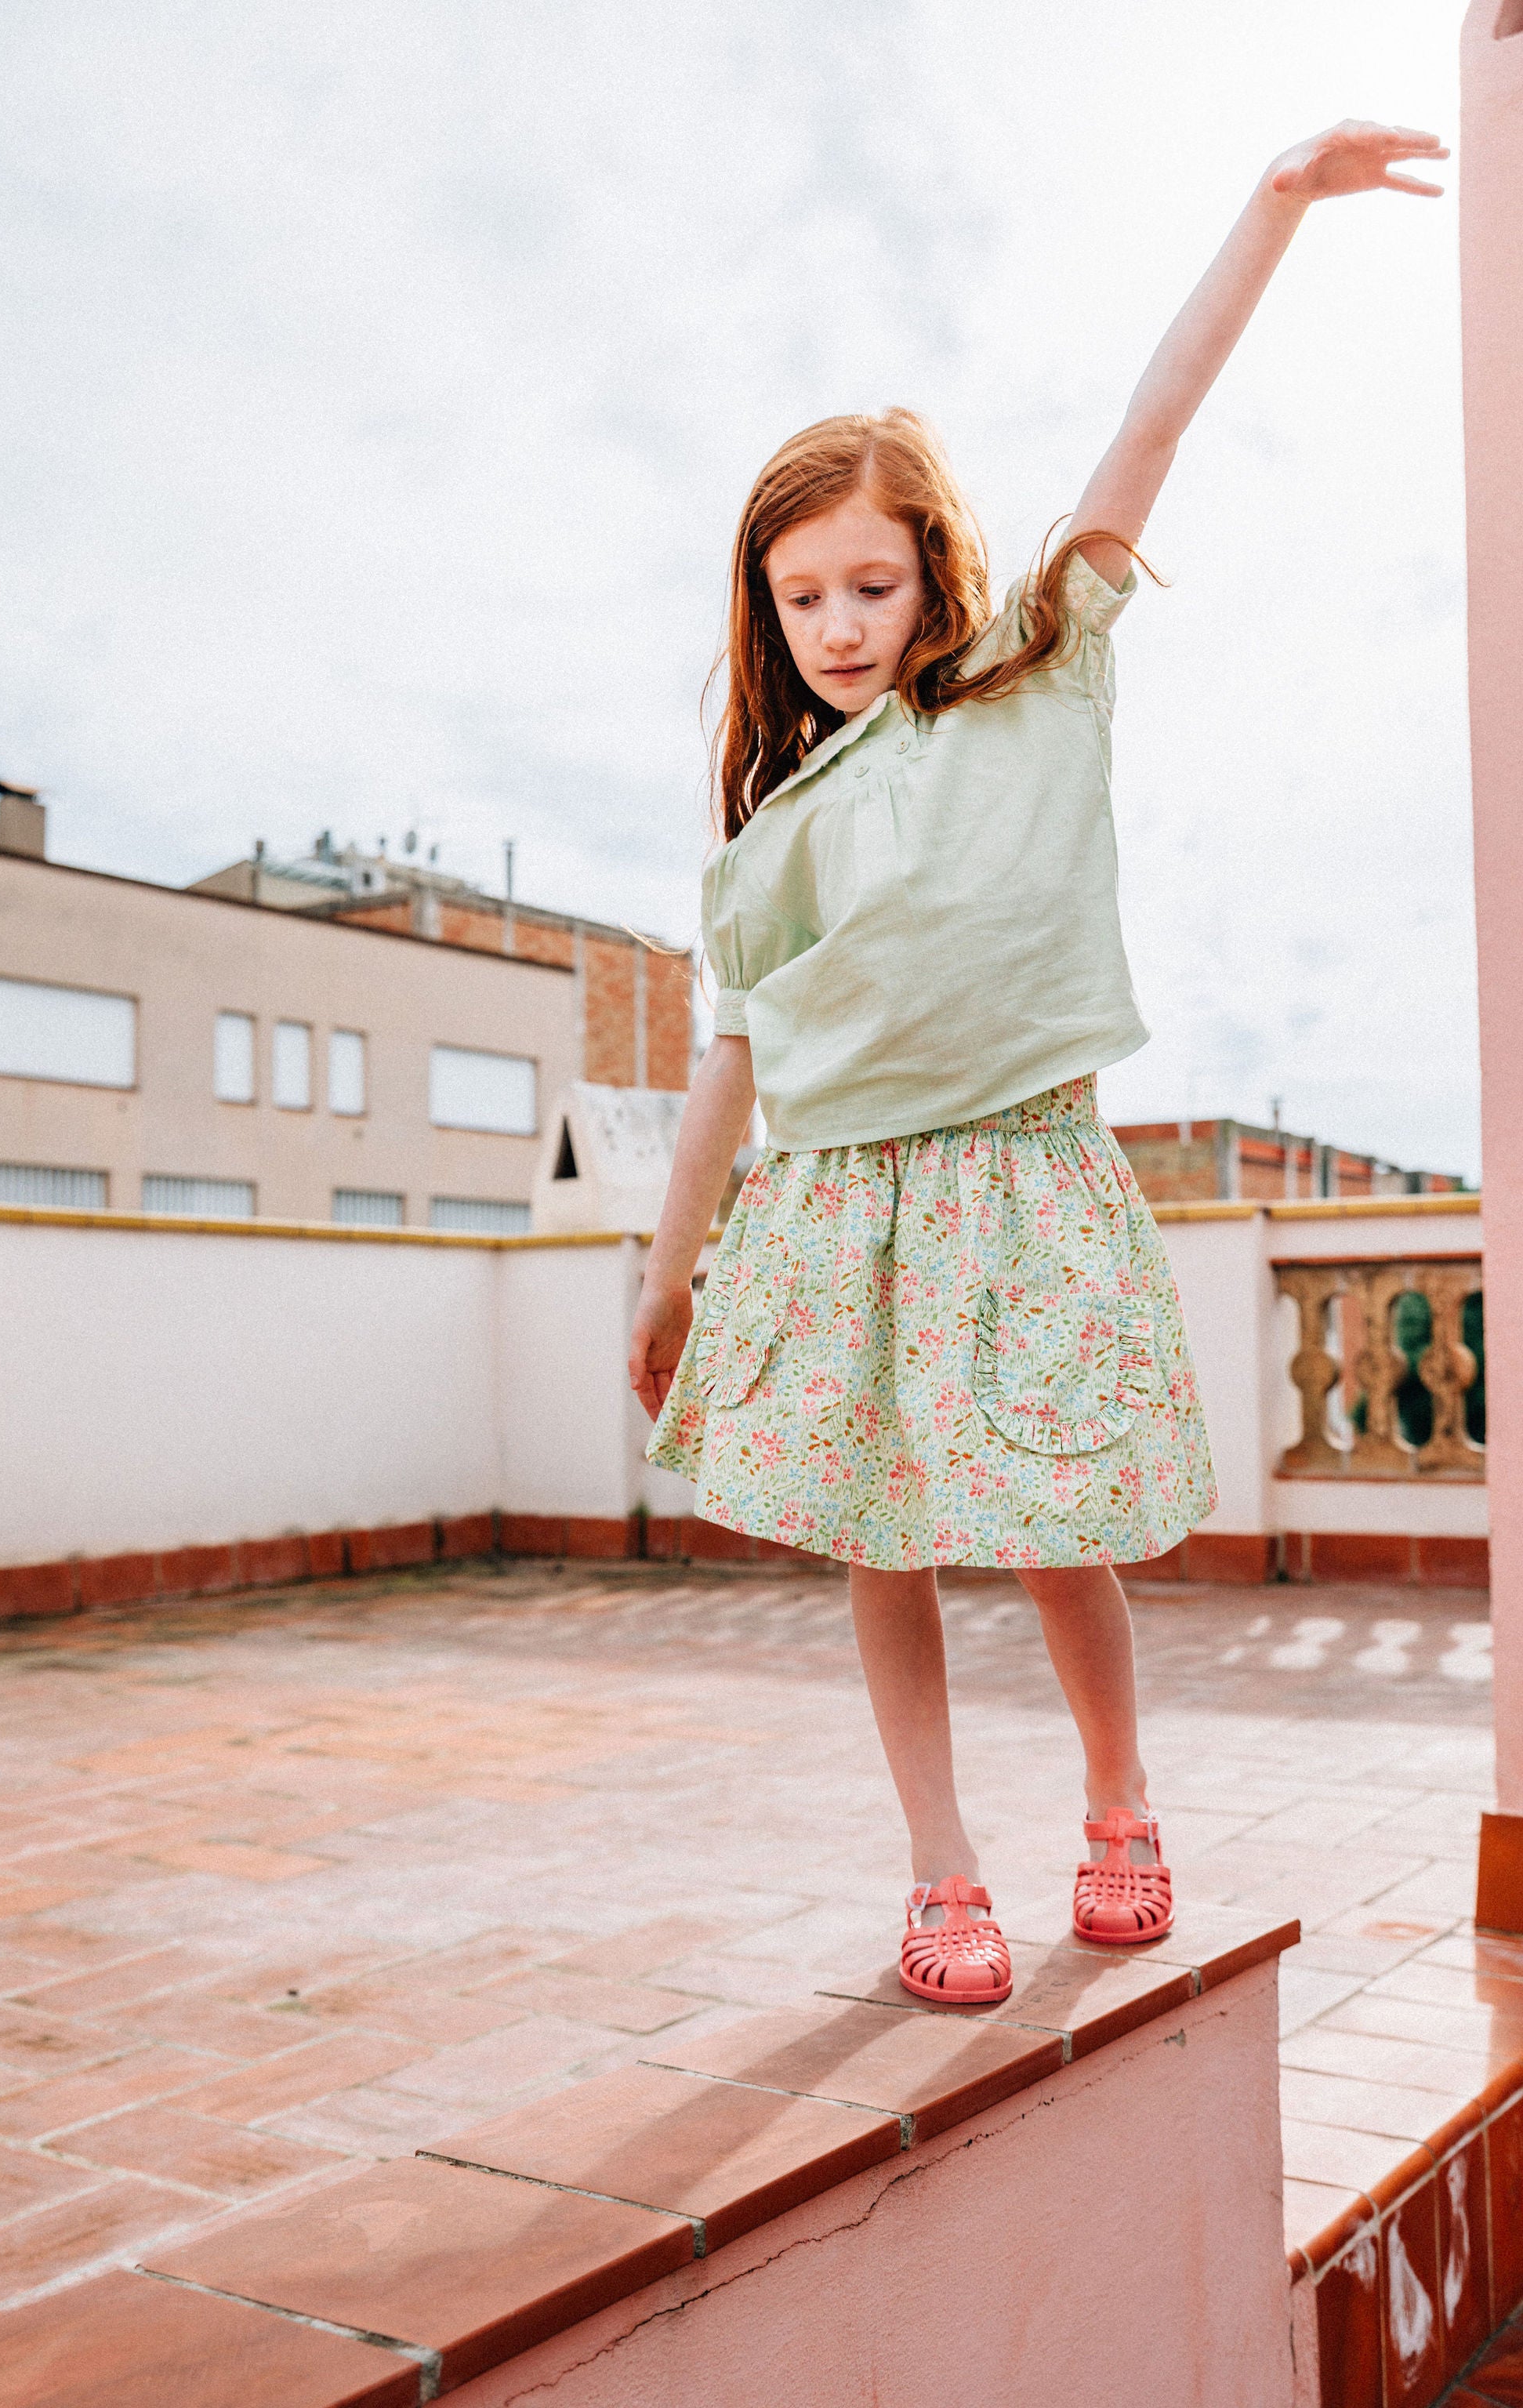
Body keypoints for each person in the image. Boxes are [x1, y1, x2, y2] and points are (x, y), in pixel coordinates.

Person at [628, 121, 1446, 2004]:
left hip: (1017, 1170)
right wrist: (674, 1273)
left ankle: (1119, 1800)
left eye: (870, 584)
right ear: (768, 607)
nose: (837, 624)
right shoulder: (759, 843)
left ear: (933, 575)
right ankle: (939, 1867)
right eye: (800, 595)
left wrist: (1275, 206)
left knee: (1053, 1518)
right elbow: (727, 1073)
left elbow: (1152, 428)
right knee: (880, 1540)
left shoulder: (1037, 674)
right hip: (835, 1211)